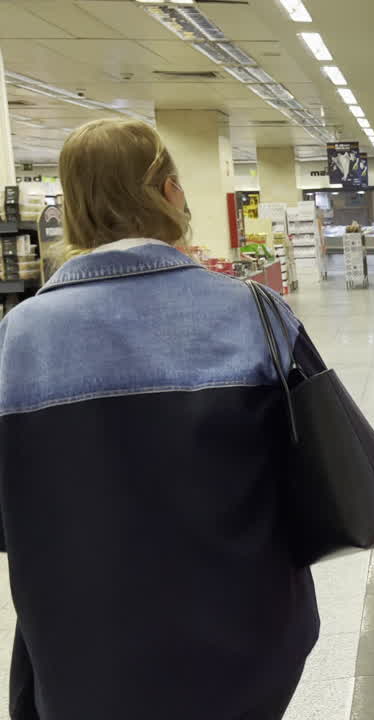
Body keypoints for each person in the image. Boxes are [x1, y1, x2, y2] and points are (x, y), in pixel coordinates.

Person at [0, 119, 318, 718]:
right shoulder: (252, 311)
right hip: (246, 629)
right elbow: (314, 468)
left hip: (88, 646)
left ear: (70, 207)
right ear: (171, 192)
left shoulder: (17, 337)